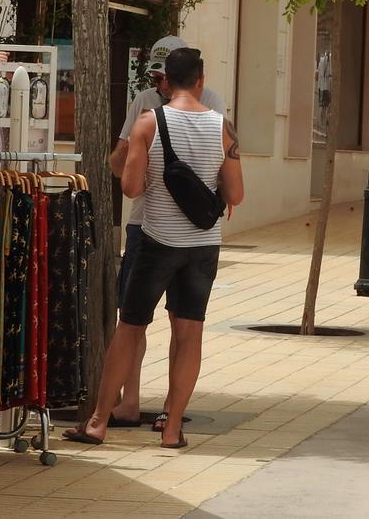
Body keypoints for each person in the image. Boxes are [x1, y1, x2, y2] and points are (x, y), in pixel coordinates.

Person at [65, 47, 244, 448]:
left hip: (156, 240)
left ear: (166, 82)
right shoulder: (223, 127)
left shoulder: (149, 123)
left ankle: (97, 422)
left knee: (130, 328)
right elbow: (236, 193)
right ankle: (174, 429)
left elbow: (129, 188)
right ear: (200, 80)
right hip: (202, 246)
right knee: (189, 332)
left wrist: (153, 181)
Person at [107, 35, 227, 432]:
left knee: (177, 324)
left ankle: (165, 414)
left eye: (163, 76)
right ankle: (132, 403)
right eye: (155, 77)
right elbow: (118, 167)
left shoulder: (213, 104)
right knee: (138, 320)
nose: (159, 84)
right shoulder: (144, 104)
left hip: (177, 232)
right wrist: (136, 145)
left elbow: (131, 184)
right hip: (151, 226)